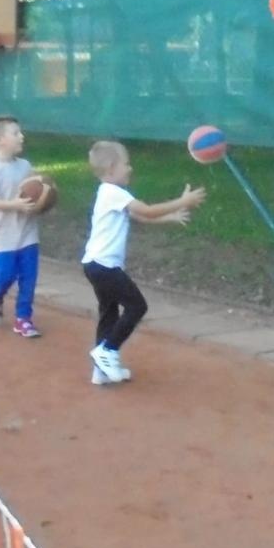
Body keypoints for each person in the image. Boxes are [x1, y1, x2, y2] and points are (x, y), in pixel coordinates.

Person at [80, 140, 204, 385]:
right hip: (104, 266)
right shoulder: (113, 192)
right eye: (126, 164)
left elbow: (138, 216)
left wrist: (169, 217)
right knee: (137, 306)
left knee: (109, 314)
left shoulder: (109, 194)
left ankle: (101, 369)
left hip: (95, 264)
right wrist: (182, 202)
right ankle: (107, 351)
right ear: (111, 168)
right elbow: (146, 210)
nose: (130, 169)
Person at [0, 116, 42, 339]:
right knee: (5, 275)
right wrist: (14, 205)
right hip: (4, 236)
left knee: (29, 278)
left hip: (28, 234)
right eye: (15, 133)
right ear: (0, 140)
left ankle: (23, 318)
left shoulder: (25, 166)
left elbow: (36, 191)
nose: (21, 136)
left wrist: (43, 199)